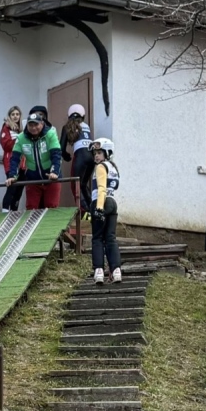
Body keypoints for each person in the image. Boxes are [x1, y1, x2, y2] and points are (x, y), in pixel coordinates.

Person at [9, 112, 62, 209]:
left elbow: (56, 155)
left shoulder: (50, 134)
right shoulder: (21, 138)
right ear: (27, 125)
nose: (33, 128)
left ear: (42, 123)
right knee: (31, 208)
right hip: (32, 179)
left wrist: (54, 172)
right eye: (30, 125)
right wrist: (12, 175)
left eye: (36, 124)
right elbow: (15, 158)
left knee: (51, 208)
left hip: (51, 179)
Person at [90, 138, 122, 284]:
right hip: (113, 203)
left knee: (97, 238)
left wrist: (98, 208)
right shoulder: (113, 167)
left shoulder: (101, 167)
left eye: (99, 152)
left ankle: (99, 272)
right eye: (95, 153)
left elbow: (101, 188)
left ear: (107, 153)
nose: (96, 155)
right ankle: (116, 271)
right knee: (111, 238)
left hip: (101, 202)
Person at [59, 104, 94, 210]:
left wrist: (66, 156)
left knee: (76, 185)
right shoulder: (86, 126)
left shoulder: (66, 127)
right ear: (83, 116)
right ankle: (92, 208)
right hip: (92, 158)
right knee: (83, 184)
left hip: (80, 157)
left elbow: (61, 148)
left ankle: (84, 211)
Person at [0, 105, 23, 211]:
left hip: (22, 164)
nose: (15, 116)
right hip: (10, 162)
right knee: (11, 188)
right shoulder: (6, 127)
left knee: (19, 191)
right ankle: (4, 212)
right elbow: (6, 145)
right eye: (13, 114)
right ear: (9, 116)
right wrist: (19, 141)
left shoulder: (22, 129)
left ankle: (14, 213)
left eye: (17, 114)